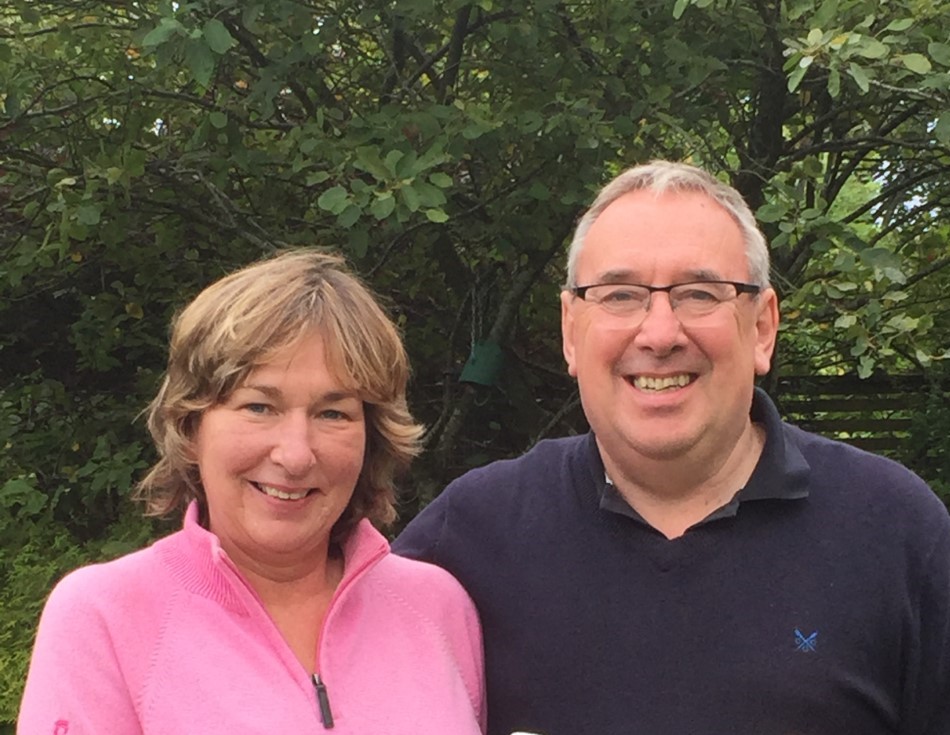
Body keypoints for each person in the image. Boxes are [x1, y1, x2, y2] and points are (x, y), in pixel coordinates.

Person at [394, 160, 950, 735]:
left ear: (762, 328)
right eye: (619, 295)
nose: (660, 334)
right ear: (570, 330)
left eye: (699, 294)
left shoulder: (897, 533)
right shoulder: (468, 539)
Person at [18, 250, 485, 734]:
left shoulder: (438, 608)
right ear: (191, 426)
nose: (296, 454)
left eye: (333, 413)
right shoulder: (105, 617)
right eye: (259, 407)